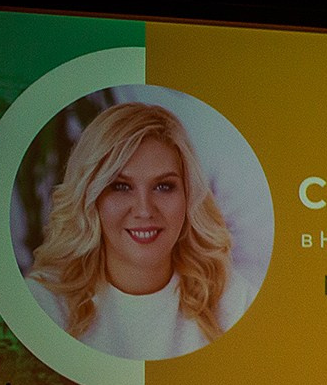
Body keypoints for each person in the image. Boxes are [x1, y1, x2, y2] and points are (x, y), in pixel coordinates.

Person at [26, 101, 252, 360]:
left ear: (189, 195)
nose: (144, 210)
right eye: (121, 186)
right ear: (91, 197)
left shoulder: (233, 302)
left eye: (164, 186)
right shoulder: (44, 303)